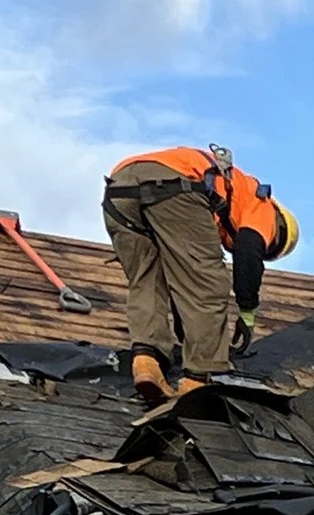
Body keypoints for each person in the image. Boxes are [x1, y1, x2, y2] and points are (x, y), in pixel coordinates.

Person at [103, 145, 300, 401]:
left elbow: (182, 289)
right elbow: (249, 250)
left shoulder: (227, 195)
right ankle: (200, 381)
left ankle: (147, 363)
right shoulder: (261, 205)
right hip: (175, 185)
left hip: (119, 189)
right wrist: (247, 314)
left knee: (148, 281)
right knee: (209, 286)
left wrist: (189, 334)